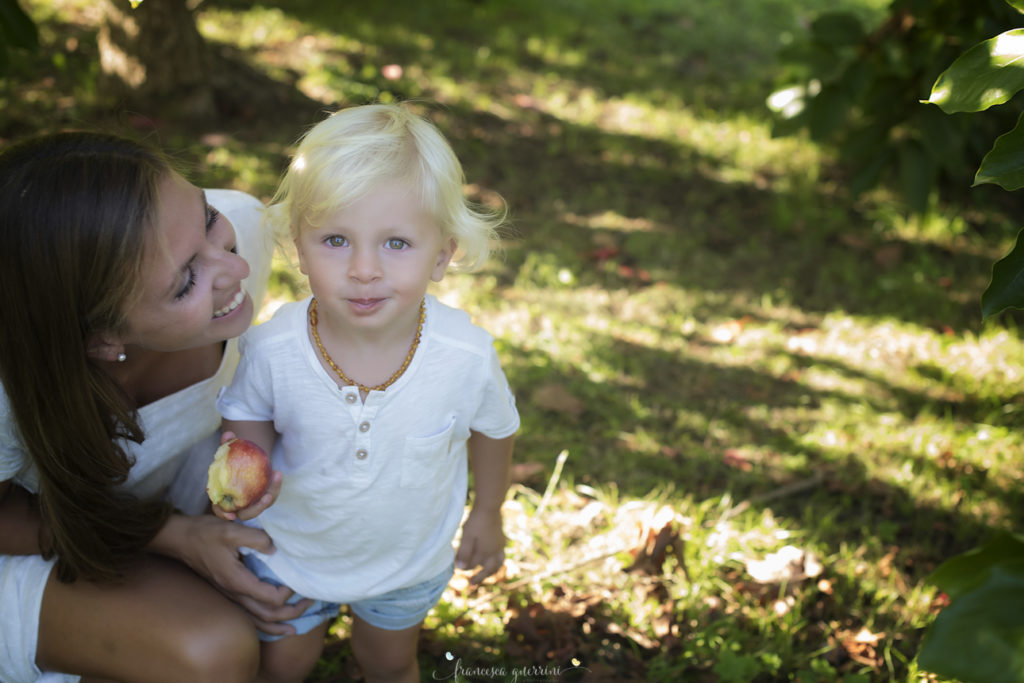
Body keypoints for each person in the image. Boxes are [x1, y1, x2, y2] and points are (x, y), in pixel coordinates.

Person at [214, 103, 519, 683]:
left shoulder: (465, 356)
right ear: (299, 250)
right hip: (291, 554)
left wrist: (488, 510)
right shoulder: (274, 348)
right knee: (283, 665)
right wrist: (241, 480)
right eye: (334, 239)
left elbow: (495, 428)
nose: (363, 269)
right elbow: (248, 419)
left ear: (443, 254)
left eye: (396, 244)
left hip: (406, 562)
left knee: (388, 663)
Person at [0, 131, 307, 682]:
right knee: (211, 651)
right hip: (28, 539)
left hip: (128, 515)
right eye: (187, 281)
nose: (234, 270)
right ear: (99, 339)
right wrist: (172, 537)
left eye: (208, 218)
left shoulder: (243, 228)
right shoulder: (8, 391)